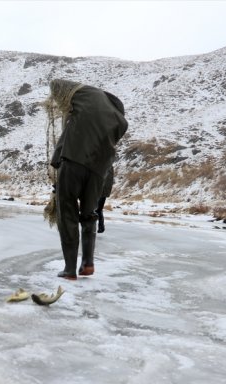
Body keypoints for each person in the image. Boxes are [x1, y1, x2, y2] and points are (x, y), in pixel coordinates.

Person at [49, 79, 128, 280]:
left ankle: (69, 269)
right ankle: (88, 264)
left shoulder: (83, 106)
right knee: (89, 214)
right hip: (98, 171)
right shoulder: (116, 120)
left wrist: (56, 162)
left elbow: (66, 135)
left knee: (66, 211)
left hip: (73, 160)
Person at [96, 165, 114, 233]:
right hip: (102, 191)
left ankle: (100, 227)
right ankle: (100, 227)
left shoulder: (106, 167)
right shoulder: (108, 167)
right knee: (98, 209)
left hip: (101, 192)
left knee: (97, 209)